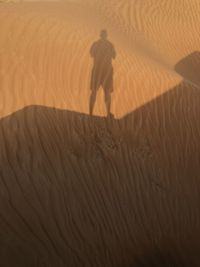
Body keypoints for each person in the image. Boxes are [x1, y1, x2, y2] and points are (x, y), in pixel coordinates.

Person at [89, 30, 116, 117]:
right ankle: (107, 113)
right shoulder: (110, 45)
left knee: (95, 91)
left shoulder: (96, 44)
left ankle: (91, 113)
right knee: (106, 92)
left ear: (100, 35)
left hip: (98, 71)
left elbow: (91, 54)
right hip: (106, 71)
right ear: (105, 36)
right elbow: (114, 56)